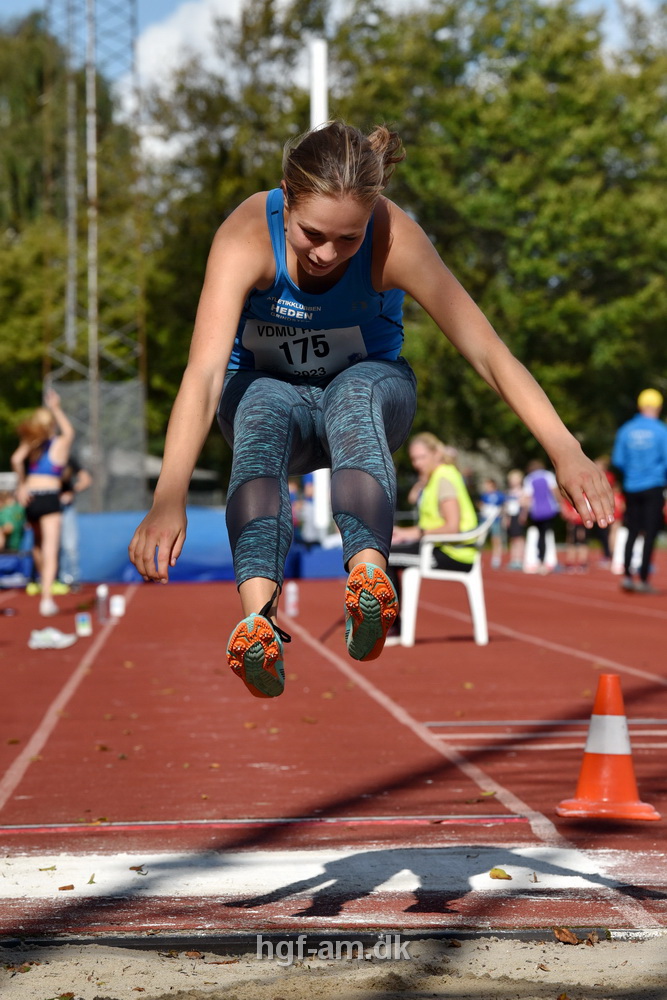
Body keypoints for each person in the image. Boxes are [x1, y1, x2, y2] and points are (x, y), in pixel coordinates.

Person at [128, 120, 614, 698]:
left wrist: (565, 447)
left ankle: (369, 581)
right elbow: (205, 374)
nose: (328, 255)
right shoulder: (244, 237)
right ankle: (258, 622)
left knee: (351, 393)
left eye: (349, 239)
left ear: (372, 215)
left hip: (371, 393)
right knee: (259, 402)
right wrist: (168, 497)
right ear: (285, 195)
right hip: (268, 398)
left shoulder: (395, 239)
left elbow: (487, 351)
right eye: (313, 235)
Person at [387, 434, 479, 635]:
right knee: (388, 549)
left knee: (386, 556)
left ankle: (392, 624)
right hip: (439, 546)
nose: (418, 463)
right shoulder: (436, 477)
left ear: (436, 454)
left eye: (422, 457)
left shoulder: (444, 478)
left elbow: (452, 526)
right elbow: (430, 522)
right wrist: (404, 532)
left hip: (454, 552)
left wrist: (413, 533)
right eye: (414, 459)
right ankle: (392, 622)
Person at [11, 389, 75, 616]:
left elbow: (16, 459)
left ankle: (40, 582)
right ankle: (46, 597)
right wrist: (56, 407)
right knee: (50, 548)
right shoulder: (58, 443)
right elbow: (69, 431)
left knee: (37, 543)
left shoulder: (33, 444)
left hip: (31, 498)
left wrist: (21, 485)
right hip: (49, 496)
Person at [611, 388, 667, 593]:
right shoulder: (661, 430)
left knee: (632, 530)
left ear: (640, 406)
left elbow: (618, 460)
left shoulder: (626, 430)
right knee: (650, 533)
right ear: (658, 407)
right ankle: (643, 579)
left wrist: (633, 472)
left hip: (631, 487)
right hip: (653, 486)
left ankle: (627, 576)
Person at [58, 455, 92, 590]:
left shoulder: (68, 459)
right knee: (51, 546)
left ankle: (71, 578)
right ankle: (54, 578)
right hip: (47, 507)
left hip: (65, 507)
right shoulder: (40, 455)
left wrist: (72, 491)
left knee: (70, 545)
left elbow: (86, 479)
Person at [522, 459, 561, 571]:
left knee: (540, 535)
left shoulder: (529, 478)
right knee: (547, 534)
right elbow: (554, 491)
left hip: (536, 511)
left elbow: (528, 497)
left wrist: (524, 514)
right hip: (549, 510)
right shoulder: (548, 475)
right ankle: (547, 559)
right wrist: (561, 504)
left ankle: (541, 558)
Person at [477, 476, 505, 568]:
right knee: (481, 539)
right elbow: (481, 504)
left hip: (495, 520)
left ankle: (496, 558)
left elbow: (503, 506)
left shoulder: (499, 495)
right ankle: (478, 558)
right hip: (485, 520)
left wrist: (501, 513)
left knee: (496, 539)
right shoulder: (484, 495)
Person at [503, 468, 527, 570]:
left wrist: (523, 515)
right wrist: (506, 518)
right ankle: (514, 559)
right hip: (511, 517)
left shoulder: (523, 491)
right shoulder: (508, 492)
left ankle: (520, 559)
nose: (513, 481)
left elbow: (526, 505)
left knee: (519, 539)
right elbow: (506, 507)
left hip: (518, 516)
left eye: (515, 479)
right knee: (513, 539)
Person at [0, 488, 26, 553]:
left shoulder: (5, 512)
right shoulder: (20, 508)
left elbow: (8, 528)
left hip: (9, 550)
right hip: (22, 546)